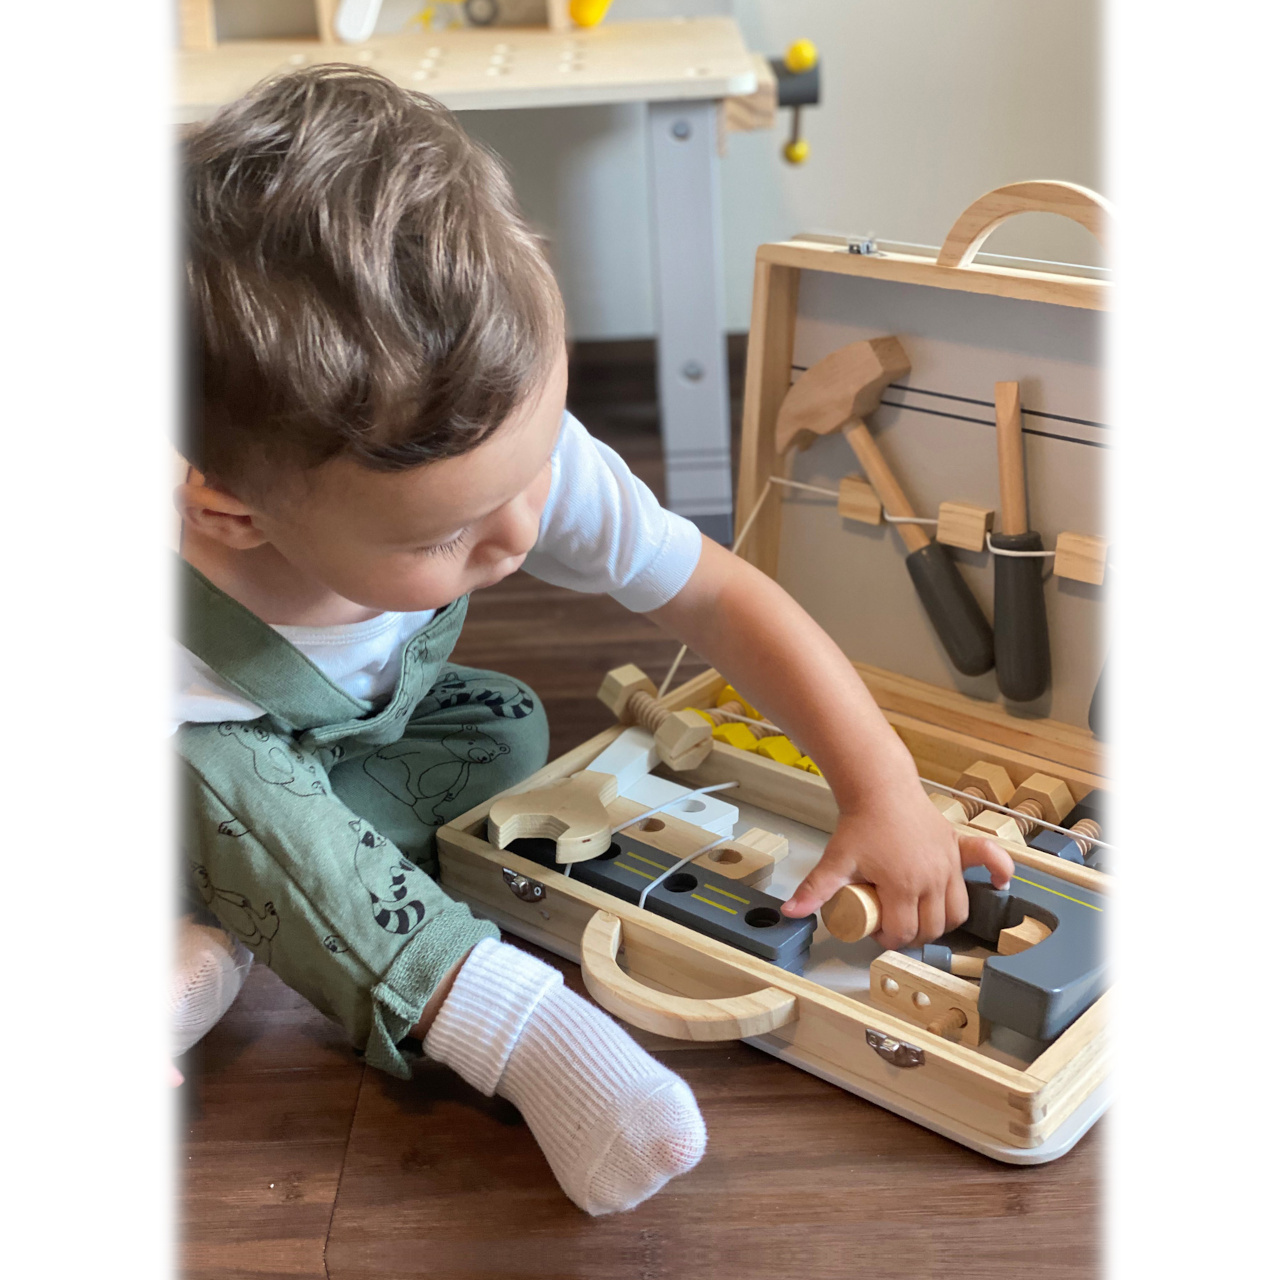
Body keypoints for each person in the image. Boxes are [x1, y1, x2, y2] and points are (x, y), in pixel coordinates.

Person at [175, 65, 1013, 1217]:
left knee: (505, 728)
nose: (521, 532)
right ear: (230, 513)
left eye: (533, 469)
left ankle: (240, 921)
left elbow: (718, 596)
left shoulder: (495, 439)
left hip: (331, 751)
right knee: (222, 774)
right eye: (448, 534)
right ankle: (522, 1030)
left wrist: (882, 787)